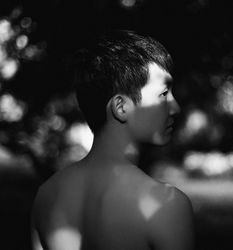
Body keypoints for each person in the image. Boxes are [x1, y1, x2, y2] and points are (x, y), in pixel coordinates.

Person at [31, 30, 195, 250]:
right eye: (164, 94)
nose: (175, 107)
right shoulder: (167, 205)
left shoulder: (45, 196)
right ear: (121, 107)